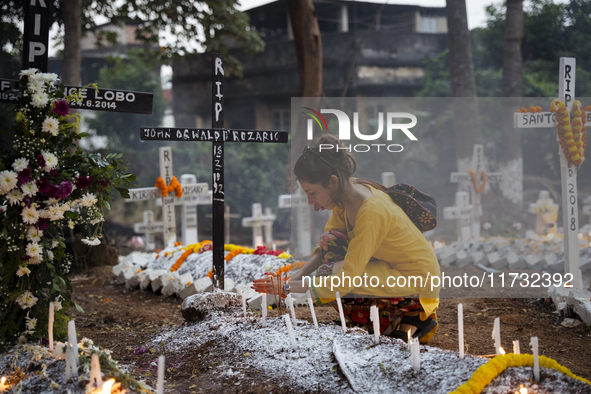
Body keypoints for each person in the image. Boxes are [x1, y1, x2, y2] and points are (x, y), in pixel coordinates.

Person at [252, 134, 440, 342]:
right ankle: (377, 321)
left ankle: (413, 318)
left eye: (312, 192)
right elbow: (327, 247)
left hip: (417, 280)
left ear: (332, 182)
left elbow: (346, 279)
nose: (309, 201)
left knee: (328, 277)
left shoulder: (371, 211)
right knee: (329, 243)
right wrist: (295, 276)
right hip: (390, 267)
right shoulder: (348, 194)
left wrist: (286, 288)